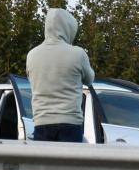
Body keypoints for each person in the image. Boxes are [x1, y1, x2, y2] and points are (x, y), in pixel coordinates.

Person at [26, 8, 95, 142]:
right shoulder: (78, 53)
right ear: (69, 28)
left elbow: (33, 81)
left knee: (44, 163)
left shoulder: (32, 54)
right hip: (70, 122)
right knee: (70, 163)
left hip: (41, 122)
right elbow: (89, 80)